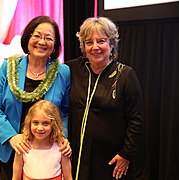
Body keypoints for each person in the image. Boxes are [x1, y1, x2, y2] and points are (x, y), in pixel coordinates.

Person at [0, 16, 71, 180]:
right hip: (12, 148)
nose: (42, 41)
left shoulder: (63, 72)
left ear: (54, 45)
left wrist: (62, 137)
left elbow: (65, 112)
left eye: (48, 38)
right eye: (37, 36)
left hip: (47, 149)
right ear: (28, 39)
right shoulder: (9, 67)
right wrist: (11, 137)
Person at [66, 17, 144, 180]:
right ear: (83, 46)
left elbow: (136, 120)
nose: (95, 47)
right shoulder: (72, 69)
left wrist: (126, 154)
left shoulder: (126, 75)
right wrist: (21, 60)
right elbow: (45, 68)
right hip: (77, 157)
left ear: (112, 43)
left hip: (112, 161)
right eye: (89, 42)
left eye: (101, 41)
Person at [12, 100, 72, 180]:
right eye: (35, 123)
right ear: (29, 123)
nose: (40, 128)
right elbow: (16, 178)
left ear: (54, 125)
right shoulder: (22, 147)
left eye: (46, 123)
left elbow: (68, 178)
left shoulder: (61, 148)